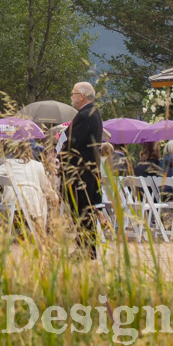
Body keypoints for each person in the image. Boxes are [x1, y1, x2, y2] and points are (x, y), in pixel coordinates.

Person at [62, 80, 105, 256]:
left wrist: (60, 155)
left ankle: (86, 248)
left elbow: (72, 141)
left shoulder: (85, 115)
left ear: (81, 96)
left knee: (82, 210)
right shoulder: (93, 113)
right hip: (88, 170)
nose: (71, 97)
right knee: (84, 209)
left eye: (73, 94)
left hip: (80, 171)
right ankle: (86, 247)